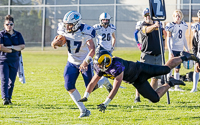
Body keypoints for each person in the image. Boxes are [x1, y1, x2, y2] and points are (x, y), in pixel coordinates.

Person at [78, 49, 199, 113]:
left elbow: (115, 88)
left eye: (100, 64)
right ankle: (171, 82)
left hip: (142, 69)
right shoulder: (102, 67)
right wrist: (86, 95)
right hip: (136, 81)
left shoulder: (117, 66)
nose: (98, 66)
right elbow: (93, 82)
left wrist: (105, 104)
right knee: (155, 99)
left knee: (166, 69)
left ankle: (184, 56)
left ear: (106, 62)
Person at [54, 11, 110, 118]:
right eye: (66, 24)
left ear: (76, 24)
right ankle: (84, 111)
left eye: (70, 24)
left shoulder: (86, 31)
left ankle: (104, 80)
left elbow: (92, 50)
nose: (67, 27)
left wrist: (86, 61)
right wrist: (55, 43)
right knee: (68, 86)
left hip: (85, 62)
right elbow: (59, 40)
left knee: (90, 88)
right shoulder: (63, 28)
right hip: (71, 62)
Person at [134, 8, 165, 103]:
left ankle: (150, 97)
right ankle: (137, 97)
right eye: (146, 15)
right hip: (147, 55)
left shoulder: (159, 25)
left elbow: (163, 37)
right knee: (141, 77)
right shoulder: (142, 26)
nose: (148, 16)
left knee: (155, 78)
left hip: (158, 55)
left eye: (149, 15)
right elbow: (147, 30)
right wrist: (154, 25)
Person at [0, 15, 25, 105]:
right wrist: (12, 49)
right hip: (3, 60)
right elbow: (1, 47)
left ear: (13, 25)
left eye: (11, 24)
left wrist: (11, 47)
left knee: (12, 81)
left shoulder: (18, 34)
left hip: (15, 60)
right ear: (4, 25)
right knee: (4, 79)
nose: (9, 26)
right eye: (7, 24)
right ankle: (5, 98)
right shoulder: (2, 34)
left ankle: (9, 98)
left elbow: (22, 46)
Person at [165, 10, 189, 91]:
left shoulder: (183, 25)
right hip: (173, 48)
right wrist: (170, 51)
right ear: (173, 17)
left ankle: (177, 86)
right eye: (176, 16)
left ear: (181, 17)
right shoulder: (171, 25)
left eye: (179, 16)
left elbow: (184, 38)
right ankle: (168, 85)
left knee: (177, 68)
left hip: (180, 49)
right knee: (170, 67)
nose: (178, 17)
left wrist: (187, 48)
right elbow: (168, 39)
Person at [93, 12, 116, 92]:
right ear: (100, 20)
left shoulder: (111, 27)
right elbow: (91, 36)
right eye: (103, 20)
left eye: (107, 20)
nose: (105, 21)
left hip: (108, 50)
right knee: (99, 67)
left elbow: (113, 37)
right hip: (100, 49)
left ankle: (104, 82)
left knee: (107, 67)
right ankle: (103, 81)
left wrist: (112, 46)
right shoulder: (97, 27)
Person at [191, 10, 200, 92]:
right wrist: (195, 57)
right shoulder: (197, 31)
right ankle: (194, 87)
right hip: (199, 53)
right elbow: (194, 45)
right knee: (196, 69)